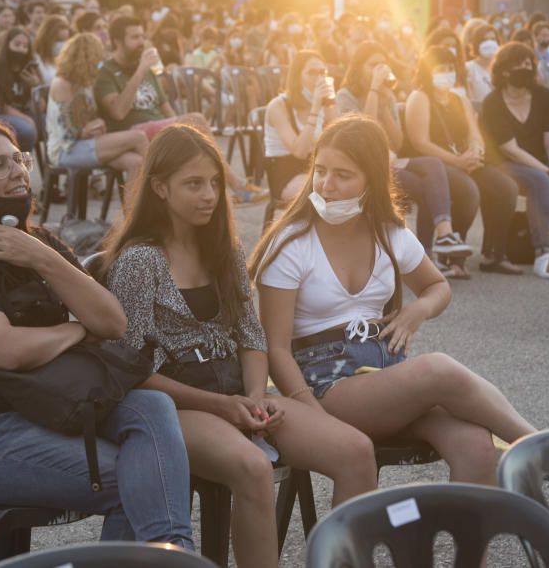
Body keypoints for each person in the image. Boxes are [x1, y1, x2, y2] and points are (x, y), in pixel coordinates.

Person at [0, 121, 194, 545]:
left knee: (153, 407)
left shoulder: (35, 242)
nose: (18, 170)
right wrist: (73, 331)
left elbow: (112, 322)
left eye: (19, 158)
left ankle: (170, 554)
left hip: (39, 408)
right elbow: (5, 350)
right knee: (140, 478)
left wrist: (42, 257)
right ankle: (173, 555)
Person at [100, 125, 376, 567]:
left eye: (214, 183)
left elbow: (251, 336)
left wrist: (251, 397)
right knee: (252, 467)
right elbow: (130, 368)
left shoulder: (223, 251)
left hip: (238, 392)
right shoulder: (140, 261)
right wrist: (221, 406)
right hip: (173, 405)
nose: (209, 195)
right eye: (194, 184)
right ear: (160, 187)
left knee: (356, 452)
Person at [250, 116, 537, 487]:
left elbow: (438, 288)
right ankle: (542, 446)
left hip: (385, 375)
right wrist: (311, 411)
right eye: (320, 170)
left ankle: (469, 543)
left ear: (371, 178)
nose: (326, 185)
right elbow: (275, 349)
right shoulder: (291, 243)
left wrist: (416, 312)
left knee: (476, 445)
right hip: (324, 384)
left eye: (343, 174)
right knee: (437, 370)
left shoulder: (389, 233)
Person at [95, 15, 264, 203]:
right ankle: (234, 185)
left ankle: (219, 192)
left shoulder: (148, 70)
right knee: (197, 119)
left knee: (196, 136)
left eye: (143, 36)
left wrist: (182, 132)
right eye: (135, 38)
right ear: (117, 41)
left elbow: (164, 105)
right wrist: (140, 71)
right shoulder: (107, 73)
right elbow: (118, 112)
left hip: (158, 130)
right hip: (132, 132)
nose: (141, 42)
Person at [336, 41, 474, 263]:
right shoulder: (345, 95)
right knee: (424, 185)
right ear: (359, 67)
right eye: (373, 65)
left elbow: (398, 142)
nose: (379, 70)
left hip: (389, 160)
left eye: (383, 64)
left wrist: (383, 105)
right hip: (361, 165)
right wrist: (373, 90)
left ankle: (443, 238)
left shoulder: (387, 96)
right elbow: (362, 134)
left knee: (432, 165)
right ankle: (427, 254)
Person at [405, 46, 521, 276]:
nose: (446, 73)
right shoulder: (419, 97)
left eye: (450, 68)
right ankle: (452, 255)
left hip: (463, 159)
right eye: (440, 68)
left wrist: (475, 151)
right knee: (469, 192)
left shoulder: (459, 99)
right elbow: (421, 143)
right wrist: (457, 161)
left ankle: (493, 253)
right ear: (427, 70)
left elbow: (474, 132)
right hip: (435, 163)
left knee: (506, 188)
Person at [480, 41, 549, 279]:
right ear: (505, 70)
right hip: (501, 164)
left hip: (538, 164)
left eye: (530, 64)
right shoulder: (493, 102)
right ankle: (543, 254)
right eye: (520, 64)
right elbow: (510, 150)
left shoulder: (544, 97)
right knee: (540, 180)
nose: (526, 68)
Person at [47, 33, 147, 175]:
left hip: (87, 143)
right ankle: (161, 190)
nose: (101, 63)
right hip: (66, 150)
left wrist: (97, 124)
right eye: (98, 59)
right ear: (87, 59)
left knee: (136, 162)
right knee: (139, 137)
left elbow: (88, 119)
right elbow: (67, 135)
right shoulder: (63, 84)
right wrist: (86, 130)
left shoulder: (85, 82)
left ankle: (135, 197)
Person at [263, 50, 338, 204]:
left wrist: (330, 105)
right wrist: (316, 107)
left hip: (316, 167)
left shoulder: (324, 103)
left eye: (322, 72)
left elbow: (340, 138)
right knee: (325, 194)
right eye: (311, 73)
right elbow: (300, 151)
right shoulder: (278, 106)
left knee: (353, 185)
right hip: (285, 171)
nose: (318, 78)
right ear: (298, 77)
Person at [0, 27, 39, 151]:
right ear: (6, 44)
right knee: (26, 129)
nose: (21, 49)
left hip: (18, 112)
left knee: (48, 123)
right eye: (17, 44)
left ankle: (50, 167)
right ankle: (20, 164)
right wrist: (27, 118)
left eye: (25, 46)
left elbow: (40, 107)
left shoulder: (26, 68)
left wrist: (35, 86)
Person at [33, 14, 71, 85]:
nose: (61, 46)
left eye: (65, 42)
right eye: (58, 42)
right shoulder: (36, 59)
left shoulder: (70, 58)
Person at [466, 23, 499, 103]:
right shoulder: (468, 68)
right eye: (484, 40)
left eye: (493, 39)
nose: (489, 43)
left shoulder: (503, 67)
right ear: (476, 43)